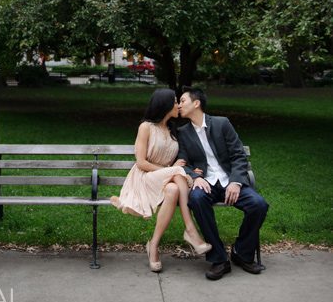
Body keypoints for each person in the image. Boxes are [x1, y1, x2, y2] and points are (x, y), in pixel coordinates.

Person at [111, 88, 211, 272]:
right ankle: (190, 229)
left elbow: (176, 157)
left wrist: (187, 168)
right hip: (145, 177)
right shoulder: (146, 127)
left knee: (173, 190)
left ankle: (154, 245)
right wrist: (171, 169)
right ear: (164, 105)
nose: (178, 105)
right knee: (177, 173)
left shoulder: (174, 130)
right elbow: (141, 162)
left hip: (166, 178)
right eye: (174, 102)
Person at [177, 87, 269, 281]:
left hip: (229, 182)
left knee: (259, 205)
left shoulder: (221, 124)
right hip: (206, 184)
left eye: (182, 101)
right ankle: (219, 258)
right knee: (196, 198)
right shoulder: (183, 132)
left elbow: (238, 155)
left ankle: (241, 253)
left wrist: (236, 181)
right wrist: (195, 177)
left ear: (196, 103)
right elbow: (182, 163)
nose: (179, 105)